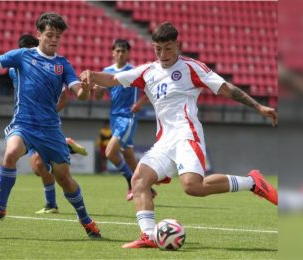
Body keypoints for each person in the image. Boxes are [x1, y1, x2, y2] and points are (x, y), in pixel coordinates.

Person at [81, 21, 278, 247]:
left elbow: (226, 88)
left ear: (178, 45)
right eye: (158, 49)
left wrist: (259, 107)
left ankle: (252, 182)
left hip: (187, 135)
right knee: (139, 179)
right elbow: (114, 79)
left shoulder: (192, 68)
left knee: (193, 187)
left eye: (168, 48)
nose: (163, 54)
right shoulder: (147, 71)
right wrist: (92, 75)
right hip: (164, 141)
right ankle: (149, 236)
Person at [0, 12, 101, 238]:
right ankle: (0, 207)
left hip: (50, 129)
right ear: (38, 35)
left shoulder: (62, 64)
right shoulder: (22, 56)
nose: (54, 39)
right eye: (49, 35)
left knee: (64, 179)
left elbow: (79, 93)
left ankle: (86, 220)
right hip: (24, 124)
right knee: (10, 153)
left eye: (58, 36)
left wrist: (87, 89)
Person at [9, 34, 88, 214]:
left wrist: (46, 113)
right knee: (37, 168)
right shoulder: (14, 69)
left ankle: (51, 204)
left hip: (45, 126)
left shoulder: (48, 67)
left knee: (41, 165)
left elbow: (64, 97)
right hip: (25, 123)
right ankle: (66, 146)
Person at [94, 39, 156, 201]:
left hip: (128, 117)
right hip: (114, 117)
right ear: (113, 53)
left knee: (110, 152)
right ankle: (148, 188)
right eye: (118, 51)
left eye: (123, 51)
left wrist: (139, 103)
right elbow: (99, 96)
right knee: (128, 156)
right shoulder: (107, 71)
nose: (120, 54)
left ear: (128, 53)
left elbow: (149, 89)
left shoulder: (133, 71)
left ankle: (131, 182)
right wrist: (97, 89)